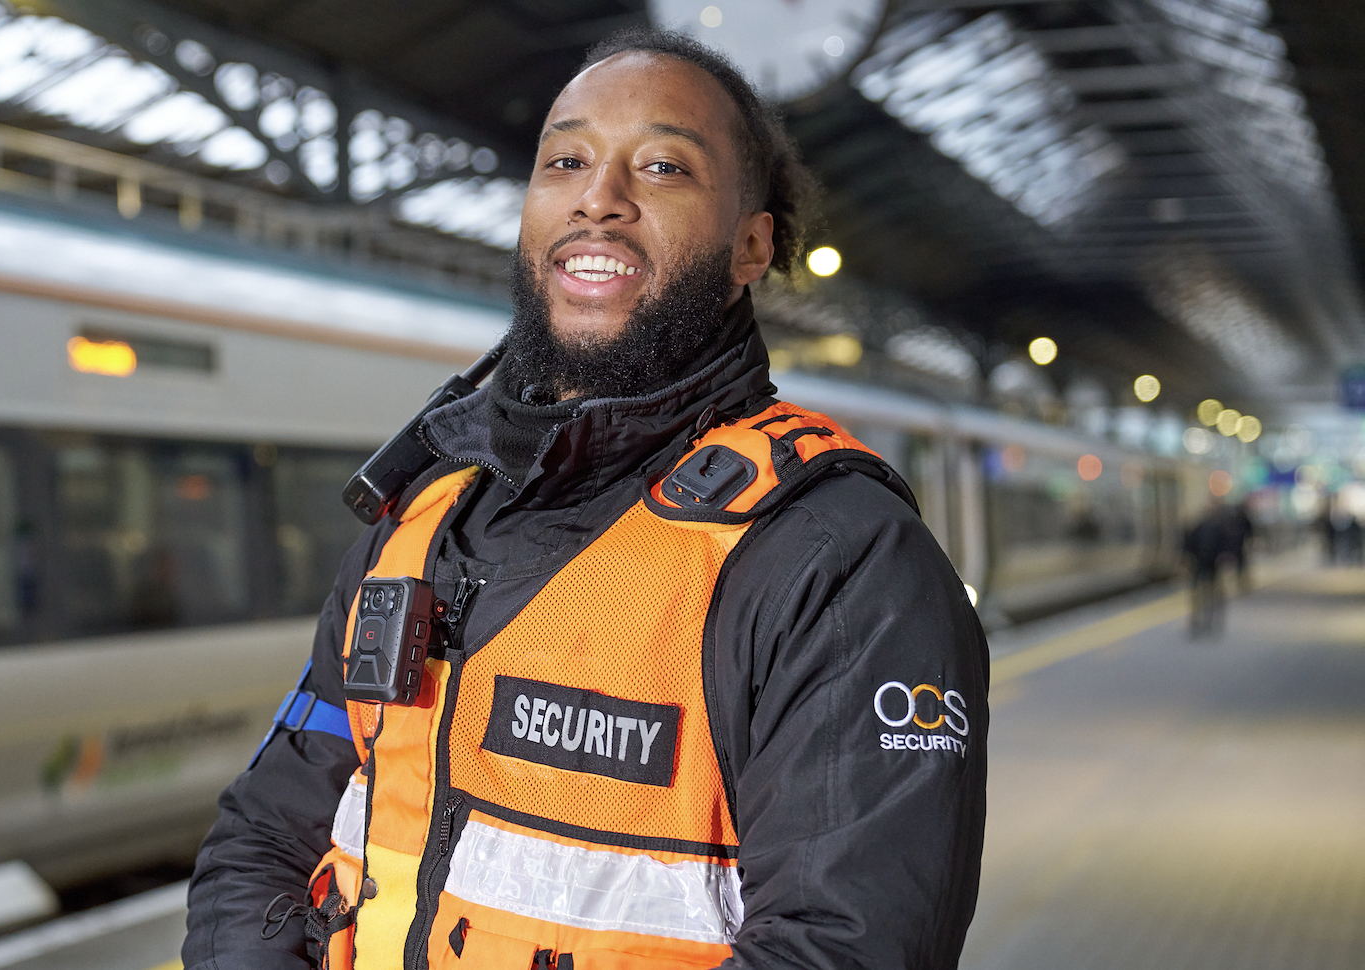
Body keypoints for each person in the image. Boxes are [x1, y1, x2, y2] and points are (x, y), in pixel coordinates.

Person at [184, 28, 988, 970]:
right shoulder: (419, 524)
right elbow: (262, 836)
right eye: (565, 160)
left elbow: (844, 949)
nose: (598, 199)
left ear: (751, 245)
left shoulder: (838, 561)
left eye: (662, 167)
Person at [1182, 502, 1230, 637]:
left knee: (1205, 594)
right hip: (1204, 564)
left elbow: (1188, 545)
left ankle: (1204, 620)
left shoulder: (1201, 527)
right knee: (1205, 594)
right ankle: (1203, 620)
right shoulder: (1212, 528)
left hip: (1205, 565)